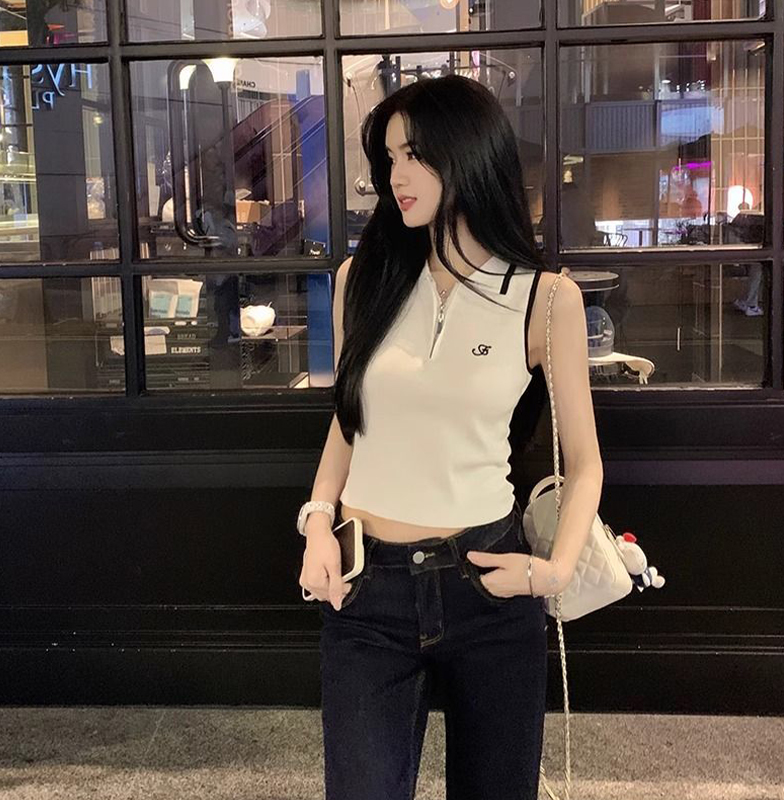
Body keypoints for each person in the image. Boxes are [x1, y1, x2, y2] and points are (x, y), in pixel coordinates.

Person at [297, 74, 603, 800]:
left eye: (415, 156)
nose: (395, 177)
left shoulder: (546, 299)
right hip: (367, 589)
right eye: (390, 159)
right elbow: (348, 421)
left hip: (487, 583)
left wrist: (553, 573)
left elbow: (586, 464)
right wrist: (316, 523)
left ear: (468, 155)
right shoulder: (360, 279)